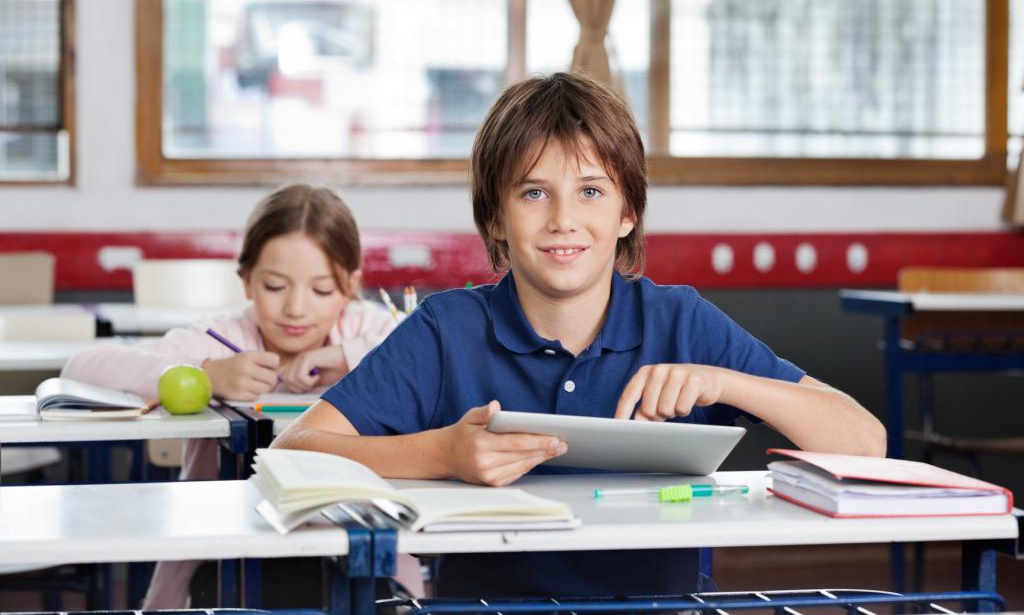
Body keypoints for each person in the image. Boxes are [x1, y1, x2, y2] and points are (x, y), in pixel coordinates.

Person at [272, 72, 886, 598]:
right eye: (534, 192)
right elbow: (296, 450)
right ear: (495, 218)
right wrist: (441, 455)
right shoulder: (448, 328)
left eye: (590, 191)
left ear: (627, 213)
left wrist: (724, 381)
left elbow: (864, 445)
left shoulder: (679, 321)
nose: (563, 219)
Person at [62, 184, 418, 607]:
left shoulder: (367, 331)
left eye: (322, 290)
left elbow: (430, 356)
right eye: (274, 286)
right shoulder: (222, 338)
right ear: (247, 281)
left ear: (350, 286)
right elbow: (79, 370)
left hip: (353, 542)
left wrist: (350, 355)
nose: (296, 309)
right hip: (227, 551)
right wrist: (204, 376)